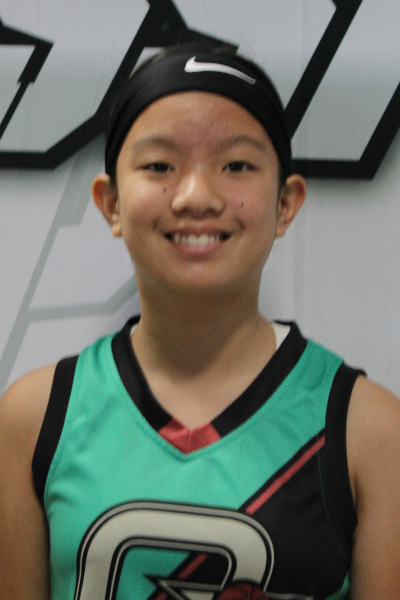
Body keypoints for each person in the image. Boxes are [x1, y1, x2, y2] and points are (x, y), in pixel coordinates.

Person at [0, 44, 399, 600]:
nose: (196, 197)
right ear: (110, 202)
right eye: (159, 166)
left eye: (236, 165)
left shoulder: (371, 433)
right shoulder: (35, 418)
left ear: (286, 202)